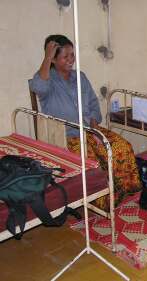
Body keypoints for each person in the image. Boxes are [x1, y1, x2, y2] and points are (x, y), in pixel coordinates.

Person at [29, 34, 141, 210]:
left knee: (121, 146)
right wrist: (46, 58)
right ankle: (102, 202)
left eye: (72, 55)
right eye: (65, 56)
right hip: (66, 136)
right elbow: (37, 87)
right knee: (92, 163)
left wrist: (96, 129)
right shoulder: (48, 80)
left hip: (90, 129)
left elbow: (93, 104)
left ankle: (124, 191)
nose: (71, 60)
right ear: (53, 59)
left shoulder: (80, 77)